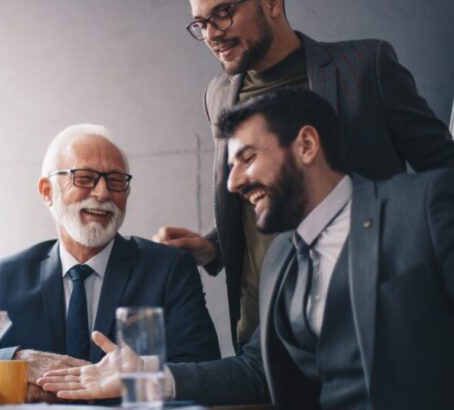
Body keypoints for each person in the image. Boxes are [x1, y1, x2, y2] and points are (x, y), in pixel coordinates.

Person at [39, 88, 454, 409]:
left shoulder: (425, 205)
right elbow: (256, 371)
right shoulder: (281, 259)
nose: (233, 183)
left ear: (306, 145)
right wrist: (146, 376)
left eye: (247, 158)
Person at [155, 0, 454, 348]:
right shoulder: (217, 94)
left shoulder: (365, 65)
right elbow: (260, 192)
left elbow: (443, 173)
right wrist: (213, 247)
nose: (211, 34)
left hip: (369, 325)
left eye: (222, 14)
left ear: (272, 4)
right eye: (201, 23)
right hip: (262, 330)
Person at [0, 124, 221, 402]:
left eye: (115, 180)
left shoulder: (168, 269)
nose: (102, 193)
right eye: (85, 178)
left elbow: (204, 371)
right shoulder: (7, 276)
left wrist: (136, 377)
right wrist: (19, 359)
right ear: (47, 191)